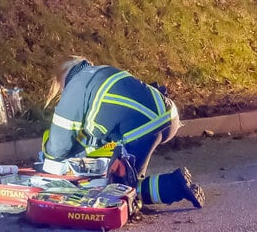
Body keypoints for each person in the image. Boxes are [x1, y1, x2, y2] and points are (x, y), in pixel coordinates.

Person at [41, 56, 204, 208]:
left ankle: (175, 185)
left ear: (63, 80)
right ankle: (174, 184)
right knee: (129, 180)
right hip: (168, 117)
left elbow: (59, 144)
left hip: (142, 129)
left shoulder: (75, 86)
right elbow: (93, 135)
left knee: (120, 192)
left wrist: (48, 157)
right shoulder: (100, 73)